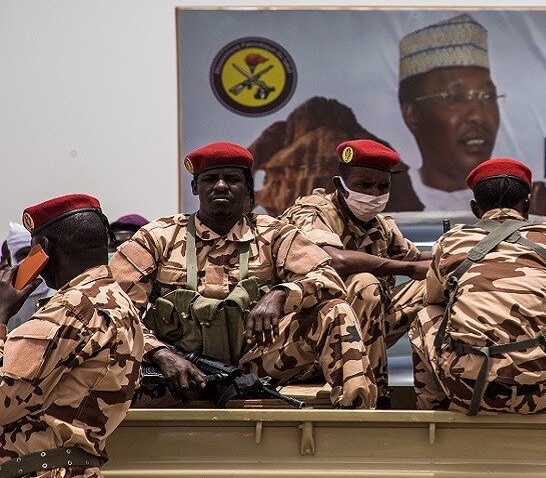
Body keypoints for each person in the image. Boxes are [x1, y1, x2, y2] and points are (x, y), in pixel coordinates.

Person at [109, 142, 376, 409]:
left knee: (336, 311)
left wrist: (281, 293)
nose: (222, 186)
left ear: (247, 188)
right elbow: (113, 306)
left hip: (255, 365)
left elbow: (328, 278)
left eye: (232, 179)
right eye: (211, 179)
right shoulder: (159, 236)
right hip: (180, 369)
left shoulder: (273, 234)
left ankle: (357, 417)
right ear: (195, 188)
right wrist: (159, 353)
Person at [410, 158, 546, 414]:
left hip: (469, 396)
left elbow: (434, 299)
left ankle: (434, 410)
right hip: (543, 396)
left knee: (425, 315)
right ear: (527, 204)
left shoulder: (451, 241)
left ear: (474, 208)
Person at [1, 194, 143, 477]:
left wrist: (0, 315)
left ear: (45, 249)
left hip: (39, 470)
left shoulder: (71, 308)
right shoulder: (120, 303)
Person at [279, 139, 430, 406]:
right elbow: (332, 258)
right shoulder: (311, 212)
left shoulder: (380, 226)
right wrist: (407, 268)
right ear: (340, 184)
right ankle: (371, 398)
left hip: (363, 335)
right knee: (364, 283)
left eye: (383, 186)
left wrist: (465, 252)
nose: (374, 193)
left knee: (434, 284)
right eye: (364, 185)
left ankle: (438, 389)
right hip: (312, 339)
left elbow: (417, 258)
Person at [396, 13, 546, 215]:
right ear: (412, 115)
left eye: (487, 97)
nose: (477, 116)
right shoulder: (393, 197)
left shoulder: (523, 201)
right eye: (456, 98)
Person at [3, 222, 55, 329]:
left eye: (33, 255)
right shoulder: (5, 302)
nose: (28, 261)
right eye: (24, 254)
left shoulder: (56, 291)